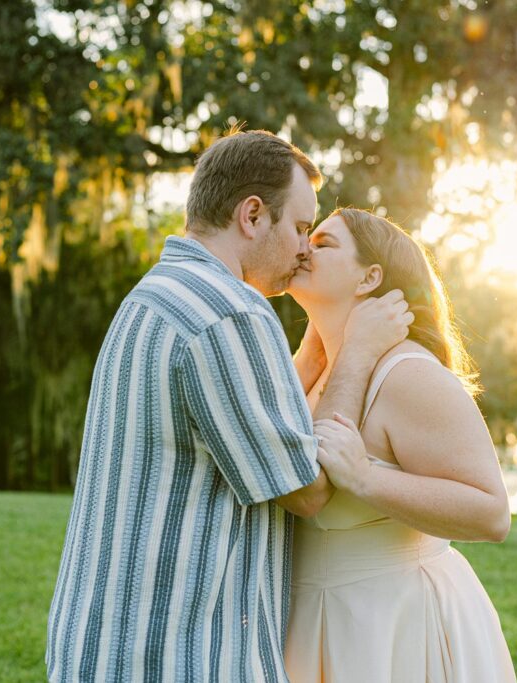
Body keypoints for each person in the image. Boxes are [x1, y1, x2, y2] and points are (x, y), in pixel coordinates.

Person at [45, 131, 413, 682]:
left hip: (102, 643)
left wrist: (314, 352)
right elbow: (307, 489)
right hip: (174, 657)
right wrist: (356, 353)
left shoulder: (158, 291)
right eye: (299, 227)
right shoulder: (231, 314)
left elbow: (244, 420)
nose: (305, 249)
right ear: (252, 215)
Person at [284, 208, 516, 682]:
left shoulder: (407, 373)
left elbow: (492, 513)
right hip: (313, 621)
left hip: (395, 628)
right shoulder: (316, 372)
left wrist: (365, 479)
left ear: (370, 277)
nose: (304, 246)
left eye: (324, 243)